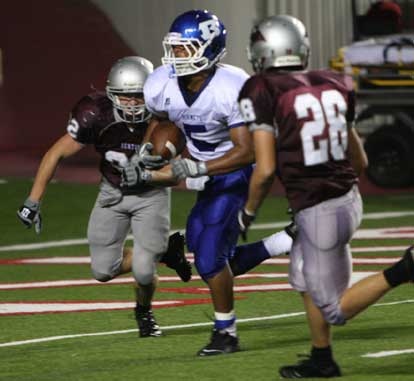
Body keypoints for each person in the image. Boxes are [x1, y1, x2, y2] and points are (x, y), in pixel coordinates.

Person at [238, 14, 414, 378]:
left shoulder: (262, 88)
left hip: (320, 208)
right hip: (344, 197)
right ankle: (322, 357)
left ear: (263, 51)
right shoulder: (333, 82)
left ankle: (407, 267)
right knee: (302, 277)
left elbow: (265, 169)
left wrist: (248, 212)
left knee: (335, 309)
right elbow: (360, 159)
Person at [124, 10, 295, 356]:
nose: (177, 56)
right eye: (175, 48)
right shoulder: (160, 82)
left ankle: (226, 333)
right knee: (206, 247)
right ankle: (286, 240)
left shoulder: (233, 87)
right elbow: (161, 120)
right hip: (204, 168)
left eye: (186, 49)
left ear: (210, 48)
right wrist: (146, 151)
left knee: (210, 258)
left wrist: (196, 167)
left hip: (237, 168)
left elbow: (247, 151)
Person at [17, 56, 192, 338]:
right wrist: (33, 201)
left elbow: (177, 174)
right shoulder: (95, 114)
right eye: (126, 97)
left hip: (151, 195)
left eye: (138, 97)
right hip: (112, 193)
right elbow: (56, 153)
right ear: (112, 96)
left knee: (144, 271)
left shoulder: (165, 118)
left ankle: (144, 311)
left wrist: (146, 176)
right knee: (102, 270)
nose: (133, 104)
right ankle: (166, 252)